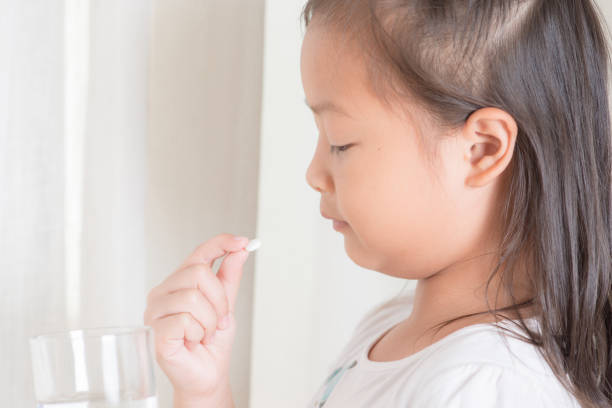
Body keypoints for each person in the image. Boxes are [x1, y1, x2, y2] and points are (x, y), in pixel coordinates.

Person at [144, 0, 612, 407]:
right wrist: (204, 391)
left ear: (482, 150)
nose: (313, 173)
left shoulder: (485, 387)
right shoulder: (390, 330)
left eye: (341, 143)